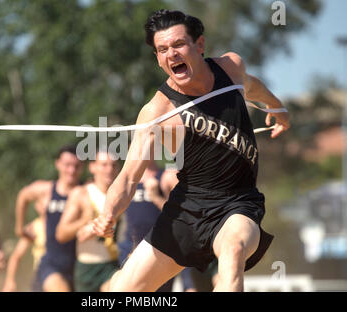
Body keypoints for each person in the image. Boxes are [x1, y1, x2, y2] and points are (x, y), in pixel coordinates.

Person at [92, 9, 290, 292]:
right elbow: (127, 178)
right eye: (162, 50)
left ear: (199, 45)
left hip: (238, 205)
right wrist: (108, 213)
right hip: (186, 211)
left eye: (178, 45)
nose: (171, 54)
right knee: (122, 290)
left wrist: (277, 108)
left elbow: (252, 86)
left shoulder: (230, 68)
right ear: (158, 59)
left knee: (232, 251)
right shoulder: (157, 112)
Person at [119, 160, 196, 292]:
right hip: (131, 249)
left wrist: (155, 197)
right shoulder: (126, 180)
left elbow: (182, 217)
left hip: (161, 251)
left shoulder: (167, 177)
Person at [15, 145, 83, 292]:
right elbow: (23, 196)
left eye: (76, 166)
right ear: (57, 164)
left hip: (81, 265)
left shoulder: (86, 191)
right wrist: (19, 228)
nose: (71, 170)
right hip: (53, 264)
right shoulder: (46, 190)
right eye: (67, 165)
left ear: (82, 167)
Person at [56, 150, 120, 292]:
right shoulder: (81, 194)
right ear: (93, 167)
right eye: (104, 165)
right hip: (87, 267)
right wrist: (86, 222)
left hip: (112, 264)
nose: (109, 170)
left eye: (113, 165)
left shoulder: (123, 195)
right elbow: (61, 233)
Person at [2, 214, 46, 292]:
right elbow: (16, 256)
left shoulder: (62, 223)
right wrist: (10, 280)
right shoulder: (33, 227)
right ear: (37, 205)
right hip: (40, 274)